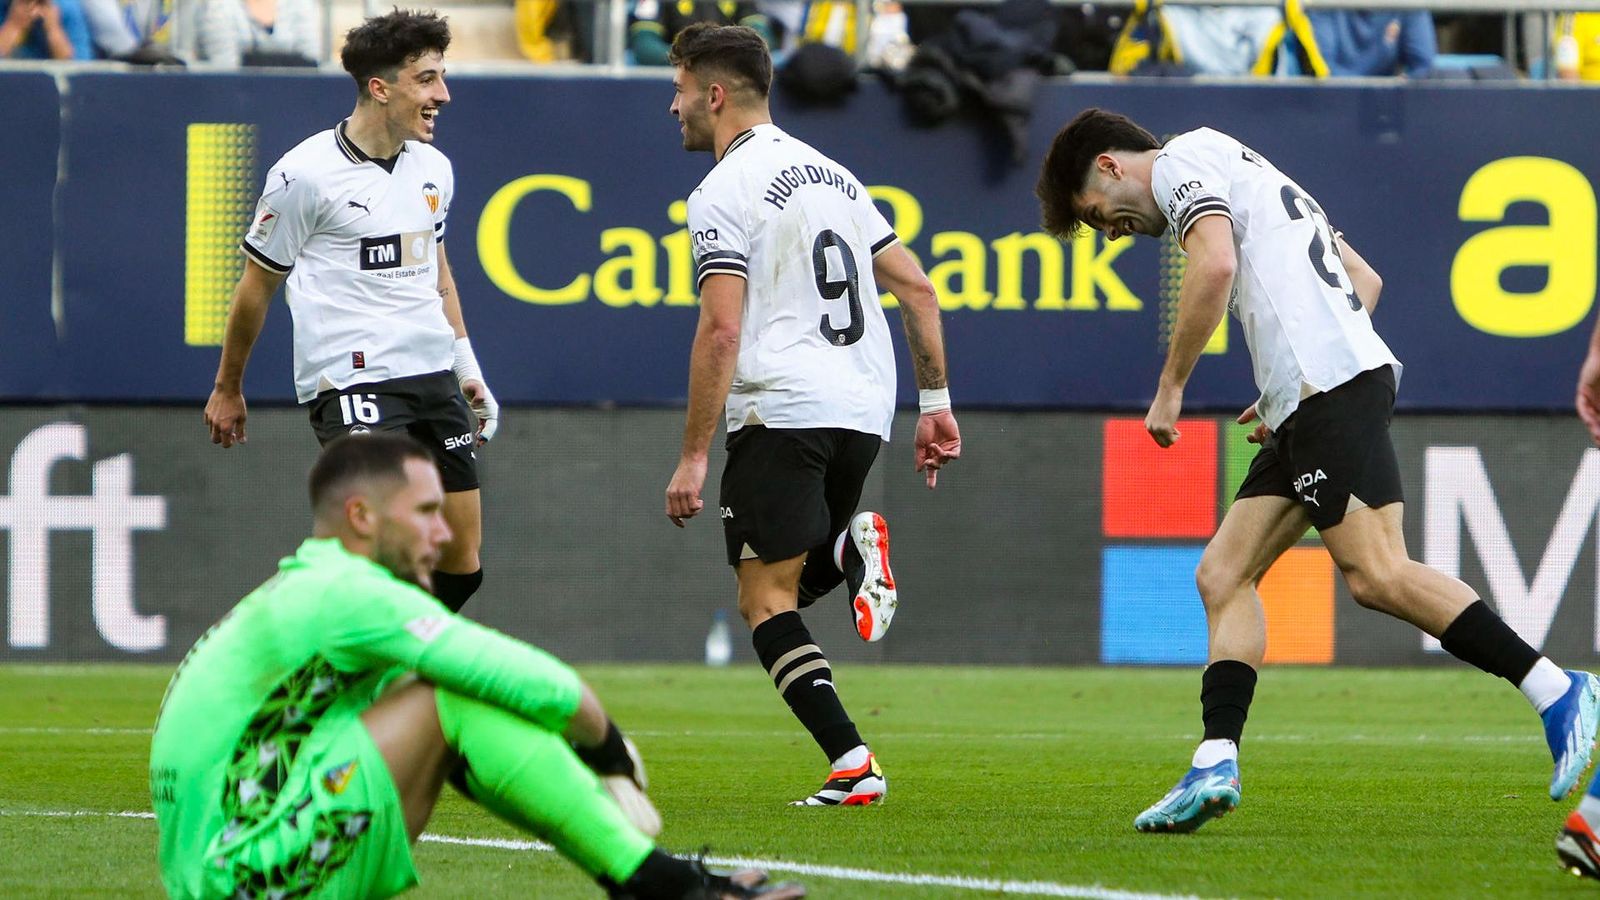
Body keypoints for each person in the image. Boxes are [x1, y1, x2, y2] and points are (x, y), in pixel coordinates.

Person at [1034, 108, 1600, 834]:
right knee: (1222, 574)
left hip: (1328, 388)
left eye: (1095, 214)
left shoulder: (1179, 162)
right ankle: (1213, 761)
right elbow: (1365, 279)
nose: (1111, 230)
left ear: (1110, 166)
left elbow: (1213, 266)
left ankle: (1559, 690)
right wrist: (1282, 384)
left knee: (1377, 573)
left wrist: (1172, 385)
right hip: (1308, 394)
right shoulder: (1250, 168)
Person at [151, 433, 804, 899]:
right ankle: (659, 885)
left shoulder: (308, 587)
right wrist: (606, 749)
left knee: (433, 693)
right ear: (361, 516)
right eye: (427, 512)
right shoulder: (350, 592)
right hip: (242, 876)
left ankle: (655, 881)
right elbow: (532, 680)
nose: (444, 532)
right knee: (450, 696)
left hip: (227, 865)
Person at [662, 22, 961, 807]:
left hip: (782, 406)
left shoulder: (719, 193)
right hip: (865, 409)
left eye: (680, 90)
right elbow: (920, 290)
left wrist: (695, 455)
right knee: (788, 584)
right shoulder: (836, 177)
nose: (675, 107)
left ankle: (853, 763)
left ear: (714, 94)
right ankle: (851, 550)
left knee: (763, 601)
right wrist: (935, 405)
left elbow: (722, 328)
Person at [204, 10, 497, 614]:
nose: (443, 94)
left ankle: (384, 674)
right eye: (427, 79)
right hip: (352, 377)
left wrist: (468, 367)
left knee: (461, 564)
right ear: (380, 88)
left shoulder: (433, 168)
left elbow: (436, 274)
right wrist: (227, 387)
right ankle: (294, 654)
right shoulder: (303, 175)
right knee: (380, 548)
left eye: (441, 77)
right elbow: (256, 288)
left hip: (431, 372)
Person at [195, 0, 322, 68]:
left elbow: (311, 63)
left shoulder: (300, 4)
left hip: (295, 95)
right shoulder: (218, 6)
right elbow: (225, 69)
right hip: (238, 100)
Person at [0, 0, 92, 59]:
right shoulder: (3, 7)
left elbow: (79, 69)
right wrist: (13, 26)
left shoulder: (68, 8)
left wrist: (53, 29)